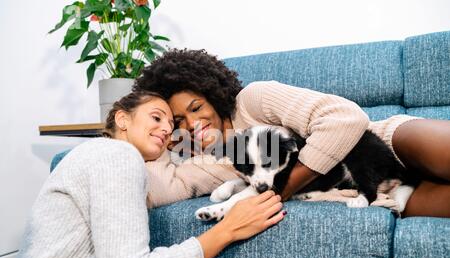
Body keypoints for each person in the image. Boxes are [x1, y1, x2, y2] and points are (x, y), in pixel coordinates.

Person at [0, 91, 284, 258]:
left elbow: (191, 177)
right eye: (156, 118)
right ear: (122, 119)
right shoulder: (116, 155)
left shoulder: (98, 157)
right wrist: (228, 229)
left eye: (171, 126)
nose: (166, 129)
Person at [134, 49, 450, 218]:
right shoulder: (207, 160)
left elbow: (346, 118)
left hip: (381, 142)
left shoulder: (253, 100)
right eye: (178, 120)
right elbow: (156, 190)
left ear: (211, 92)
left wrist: (281, 188)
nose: (191, 123)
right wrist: (136, 140)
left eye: (195, 107)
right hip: (375, 191)